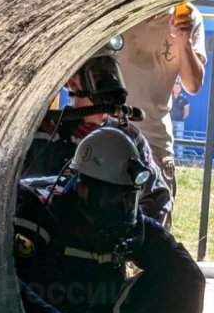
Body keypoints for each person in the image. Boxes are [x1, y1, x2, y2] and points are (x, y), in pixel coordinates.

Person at [15, 126, 205, 313]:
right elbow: (12, 300)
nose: (121, 211)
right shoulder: (39, 216)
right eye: (111, 200)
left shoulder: (130, 223)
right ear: (82, 189)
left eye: (128, 201)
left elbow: (185, 272)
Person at [22, 43, 172, 225]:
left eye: (112, 71)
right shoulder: (46, 134)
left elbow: (157, 197)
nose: (109, 80)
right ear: (73, 83)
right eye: (99, 74)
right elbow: (21, 192)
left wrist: (136, 237)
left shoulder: (128, 137)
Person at [116, 4, 206, 208]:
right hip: (110, 137)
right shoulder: (122, 5)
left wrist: (185, 40)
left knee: (155, 231)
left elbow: (193, 84)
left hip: (154, 144)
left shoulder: (187, 16)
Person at [170, 75, 190, 151]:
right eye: (175, 86)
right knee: (169, 138)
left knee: (179, 139)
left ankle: (179, 155)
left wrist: (182, 118)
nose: (177, 88)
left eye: (178, 87)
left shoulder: (183, 98)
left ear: (180, 88)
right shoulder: (169, 97)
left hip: (179, 122)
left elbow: (186, 111)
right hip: (169, 121)